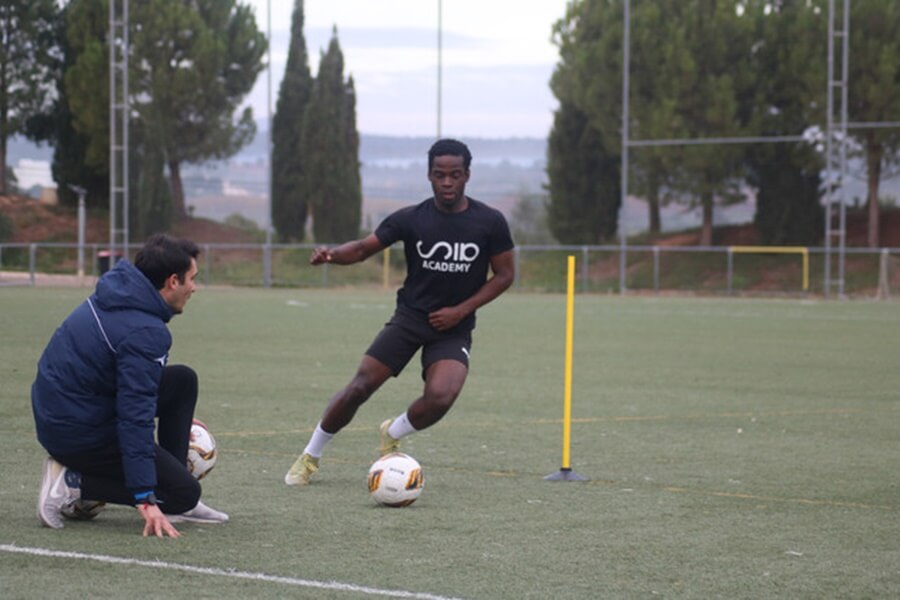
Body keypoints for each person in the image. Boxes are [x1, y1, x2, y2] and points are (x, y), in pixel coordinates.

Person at [285, 138, 516, 485]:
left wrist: (460, 311)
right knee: (359, 388)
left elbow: (505, 275)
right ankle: (310, 456)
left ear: (467, 175)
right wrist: (332, 255)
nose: (447, 182)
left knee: (441, 397)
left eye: (455, 175)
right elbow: (363, 249)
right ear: (429, 176)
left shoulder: (490, 222)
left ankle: (392, 431)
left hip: (453, 327)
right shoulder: (411, 219)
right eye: (440, 175)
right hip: (410, 320)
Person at [32, 234, 228, 538]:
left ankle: (171, 493)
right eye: (192, 279)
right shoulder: (145, 332)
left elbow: (133, 389)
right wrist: (144, 497)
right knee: (184, 492)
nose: (194, 287)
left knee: (182, 381)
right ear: (173, 281)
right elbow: (134, 415)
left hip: (64, 412)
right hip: (77, 433)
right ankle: (72, 483)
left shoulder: (120, 291)